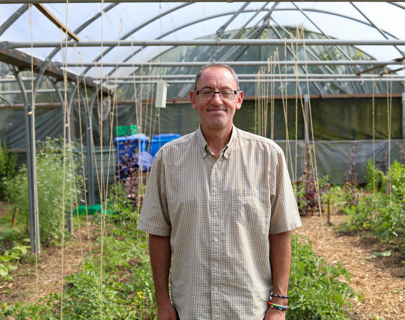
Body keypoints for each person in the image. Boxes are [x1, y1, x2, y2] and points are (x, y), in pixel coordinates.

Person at [138, 64, 301, 320]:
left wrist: (278, 305)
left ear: (238, 99)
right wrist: (162, 302)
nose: (217, 100)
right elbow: (158, 233)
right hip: (190, 309)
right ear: (194, 100)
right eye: (207, 92)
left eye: (226, 92)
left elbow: (280, 231)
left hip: (249, 309)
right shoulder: (168, 159)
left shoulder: (268, 156)